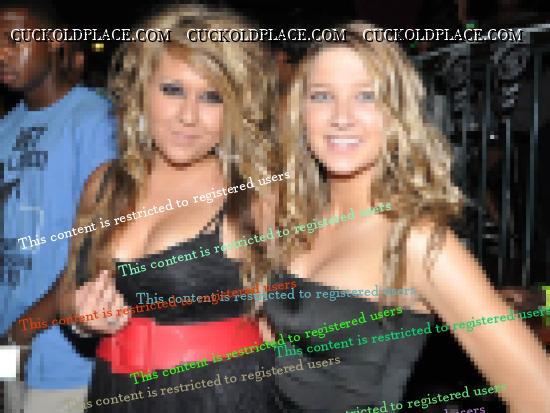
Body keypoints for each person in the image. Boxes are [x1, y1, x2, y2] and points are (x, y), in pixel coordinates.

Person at [264, 24, 549, 412]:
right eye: (322, 96)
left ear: (397, 113)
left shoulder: (417, 241)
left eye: (367, 96)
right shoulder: (298, 216)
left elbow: (539, 395)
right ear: (300, 112)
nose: (341, 117)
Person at [57, 5, 277, 413]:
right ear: (141, 89)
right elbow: (68, 291)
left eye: (211, 97)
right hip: (112, 393)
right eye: (172, 90)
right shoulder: (103, 184)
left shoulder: (256, 195)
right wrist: (82, 318)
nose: (188, 116)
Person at [0, 1, 116, 412]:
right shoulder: (6, 127)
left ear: (55, 41)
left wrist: (25, 330)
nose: (2, 53)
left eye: (15, 39)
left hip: (64, 356)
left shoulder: (96, 120)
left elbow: (98, 246)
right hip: (11, 348)